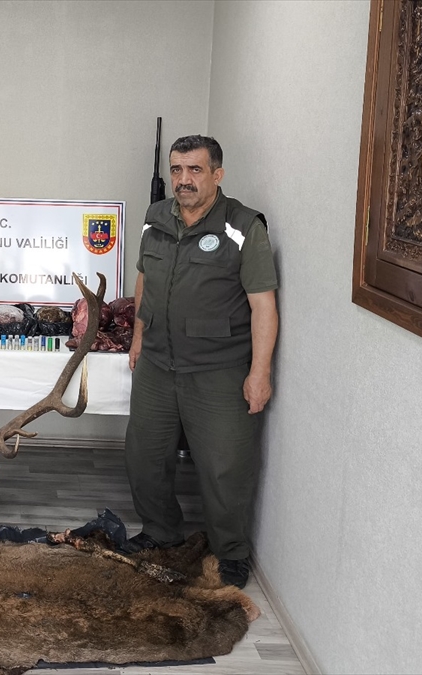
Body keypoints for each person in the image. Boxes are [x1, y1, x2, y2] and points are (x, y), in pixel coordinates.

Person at [125, 135, 279, 590]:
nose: (184, 180)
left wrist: (260, 373)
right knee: (145, 458)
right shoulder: (155, 218)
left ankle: (230, 552)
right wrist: (137, 337)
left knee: (224, 466)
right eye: (177, 170)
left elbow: (263, 305)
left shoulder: (243, 227)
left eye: (195, 170)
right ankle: (159, 532)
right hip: (156, 363)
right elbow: (144, 279)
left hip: (218, 370)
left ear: (217, 174)